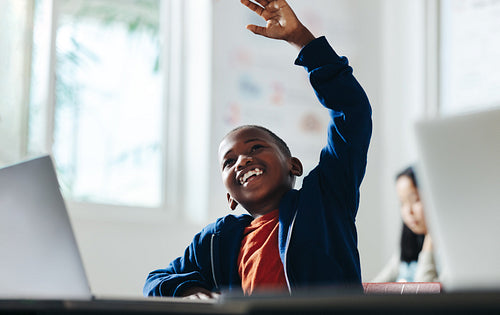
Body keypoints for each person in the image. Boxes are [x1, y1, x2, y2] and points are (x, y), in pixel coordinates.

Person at [143, 0, 372, 299]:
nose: (243, 159)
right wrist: (191, 291)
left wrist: (302, 39)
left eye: (256, 147)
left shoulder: (325, 200)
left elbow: (352, 112)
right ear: (229, 198)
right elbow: (155, 280)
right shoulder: (217, 240)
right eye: (228, 161)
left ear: (294, 165)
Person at [372, 166, 439, 283]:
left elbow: (423, 292)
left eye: (415, 200)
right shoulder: (408, 245)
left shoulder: (446, 256)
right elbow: (373, 287)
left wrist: (431, 239)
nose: (409, 211)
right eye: (402, 203)